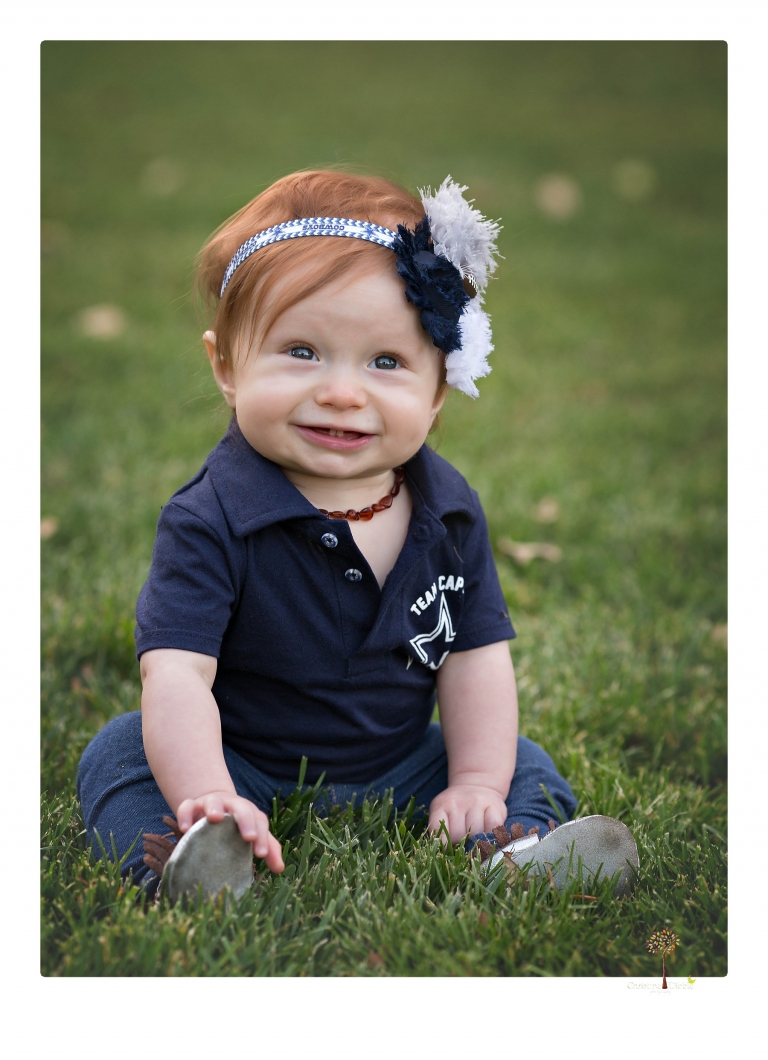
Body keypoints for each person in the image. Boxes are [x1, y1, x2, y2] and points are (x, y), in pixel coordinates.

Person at [77, 170, 637, 901]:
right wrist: (212, 789)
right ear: (226, 366)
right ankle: (191, 861)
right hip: (242, 757)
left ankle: (510, 850)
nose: (343, 391)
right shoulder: (211, 517)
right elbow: (178, 674)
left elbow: (475, 660)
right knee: (119, 754)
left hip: (401, 761)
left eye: (386, 362)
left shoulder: (451, 510)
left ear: (437, 393)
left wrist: (472, 780)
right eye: (302, 351)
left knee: (519, 762)